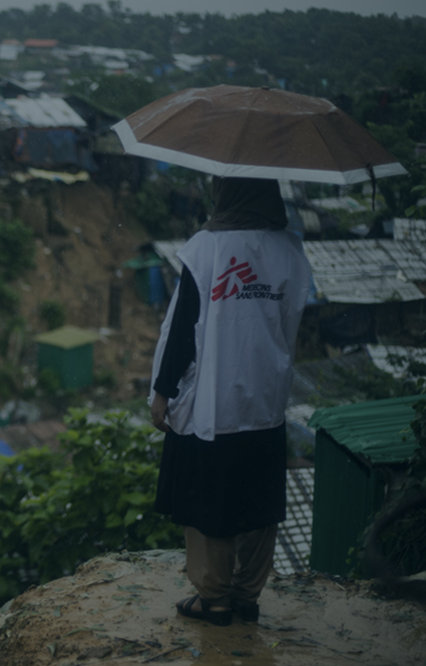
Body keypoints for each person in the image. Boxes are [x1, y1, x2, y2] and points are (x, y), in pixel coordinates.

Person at [149, 176, 311, 626]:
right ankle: (246, 595)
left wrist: (163, 391)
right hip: (265, 395)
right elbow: (291, 320)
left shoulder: (207, 248)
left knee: (209, 499)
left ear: (228, 192)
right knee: (259, 497)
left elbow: (183, 328)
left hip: (215, 396)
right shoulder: (290, 249)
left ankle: (214, 598)